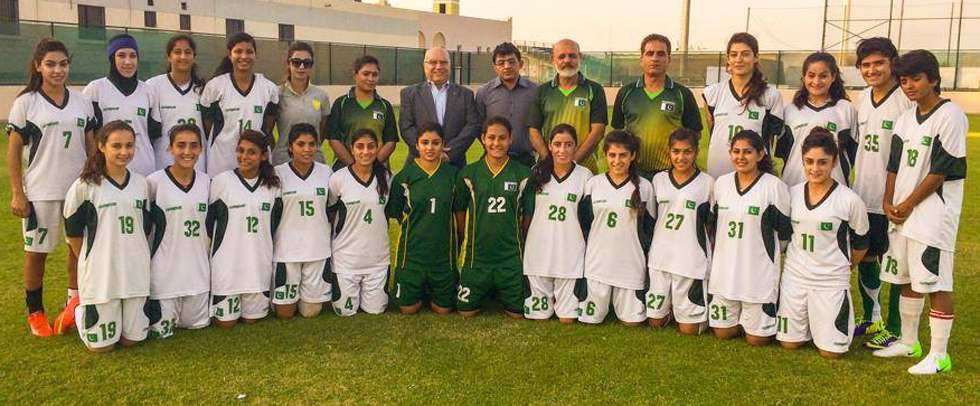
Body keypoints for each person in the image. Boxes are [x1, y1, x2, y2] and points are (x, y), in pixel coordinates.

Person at [874, 50, 966, 375]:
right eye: (904, 80)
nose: (909, 85)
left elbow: (941, 171)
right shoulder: (905, 118)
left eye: (916, 78)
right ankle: (908, 341)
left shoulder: (950, 115)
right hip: (902, 212)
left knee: (936, 281)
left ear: (934, 79)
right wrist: (888, 201)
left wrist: (908, 203)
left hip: (932, 214)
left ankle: (939, 355)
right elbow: (894, 164)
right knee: (908, 277)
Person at [6, 38, 96, 337]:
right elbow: (14, 153)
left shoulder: (83, 101)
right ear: (38, 66)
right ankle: (36, 312)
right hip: (41, 190)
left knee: (78, 249)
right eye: (51, 64)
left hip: (77, 190)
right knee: (37, 251)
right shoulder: (26, 103)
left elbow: (91, 146)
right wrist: (18, 192)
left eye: (63, 64)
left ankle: (73, 304)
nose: (58, 70)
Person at [776, 128, 869, 358]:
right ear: (802, 160)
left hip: (830, 282)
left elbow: (861, 244)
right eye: (809, 162)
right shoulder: (792, 193)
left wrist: (841, 268)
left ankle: (822, 323)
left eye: (822, 162)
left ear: (834, 162)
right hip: (794, 278)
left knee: (831, 353)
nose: (815, 168)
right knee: (789, 344)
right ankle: (807, 323)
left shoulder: (849, 200)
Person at [64, 120, 151, 352]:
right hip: (101, 274)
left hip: (134, 271)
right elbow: (73, 233)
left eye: (129, 145)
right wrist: (91, 258)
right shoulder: (85, 186)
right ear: (101, 146)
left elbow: (146, 226)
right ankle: (78, 309)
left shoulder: (142, 184)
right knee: (102, 348)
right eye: (116, 146)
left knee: (133, 340)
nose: (124, 152)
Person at [851, 37, 914, 349]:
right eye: (866, 64)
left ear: (892, 63)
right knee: (866, 256)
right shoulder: (862, 98)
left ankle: (894, 326)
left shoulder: (906, 98)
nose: (872, 69)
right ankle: (871, 315)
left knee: (895, 264)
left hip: (895, 197)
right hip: (863, 193)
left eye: (879, 63)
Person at [708, 129, 791, 346]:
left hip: (758, 275)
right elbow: (715, 225)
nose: (741, 157)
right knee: (722, 334)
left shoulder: (774, 187)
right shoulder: (721, 184)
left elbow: (784, 234)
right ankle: (741, 317)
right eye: (736, 151)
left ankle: (763, 313)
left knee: (757, 340)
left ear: (760, 155)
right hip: (726, 272)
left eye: (747, 152)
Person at [454, 116, 533, 319]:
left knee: (517, 314)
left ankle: (500, 289)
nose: (496, 143)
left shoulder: (522, 174)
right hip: (477, 258)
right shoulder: (468, 173)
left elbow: (528, 216)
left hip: (509, 259)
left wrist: (520, 240)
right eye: (491, 138)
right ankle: (487, 289)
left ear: (511, 140)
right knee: (466, 312)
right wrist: (467, 237)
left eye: (502, 138)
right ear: (482, 139)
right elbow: (460, 212)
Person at [206, 130, 282, 328]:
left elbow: (275, 224)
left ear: (264, 155)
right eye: (240, 151)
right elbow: (208, 223)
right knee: (225, 324)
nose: (244, 156)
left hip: (258, 266)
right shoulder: (221, 182)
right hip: (227, 267)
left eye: (251, 152)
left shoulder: (273, 187)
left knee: (251, 320)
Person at [578, 130, 655, 326]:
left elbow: (650, 227)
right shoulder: (593, 184)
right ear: (605, 155)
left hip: (630, 264)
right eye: (612, 155)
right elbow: (585, 222)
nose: (617, 160)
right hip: (597, 264)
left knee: (632, 323)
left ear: (633, 156)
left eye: (623, 155)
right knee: (590, 320)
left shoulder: (645, 187)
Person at [521, 124, 592, 323]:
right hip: (539, 251)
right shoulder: (537, 173)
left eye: (568, 145)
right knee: (540, 317)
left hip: (569, 252)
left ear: (576, 147)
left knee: (567, 319)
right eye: (557, 144)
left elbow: (587, 219)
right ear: (549, 146)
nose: (562, 150)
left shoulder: (585, 176)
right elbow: (527, 214)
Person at [386, 122, 459, 315]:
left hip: (443, 257)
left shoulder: (454, 175)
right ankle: (419, 286)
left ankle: (433, 288)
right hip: (412, 256)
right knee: (408, 309)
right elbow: (398, 216)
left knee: (443, 310)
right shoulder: (403, 177)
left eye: (436, 143)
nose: (430, 147)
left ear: (443, 145)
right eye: (424, 142)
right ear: (416, 145)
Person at [646, 128, 714, 334]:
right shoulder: (658, 180)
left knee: (688, 329)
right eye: (676, 151)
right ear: (669, 152)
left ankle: (687, 309)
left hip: (690, 261)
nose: (681, 157)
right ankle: (671, 308)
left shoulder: (707, 183)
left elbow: (710, 225)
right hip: (661, 258)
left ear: (696, 153)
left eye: (687, 152)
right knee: (654, 322)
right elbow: (651, 219)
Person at [146, 124, 211, 338]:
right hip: (164, 278)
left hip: (198, 277)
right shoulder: (154, 183)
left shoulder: (208, 183)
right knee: (160, 334)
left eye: (193, 146)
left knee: (197, 325)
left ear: (201, 149)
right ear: (170, 149)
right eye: (180, 146)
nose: (187, 152)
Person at [611, 34, 703, 178]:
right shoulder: (626, 93)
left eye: (661, 54)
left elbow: (696, 134)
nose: (655, 58)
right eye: (649, 53)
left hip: (671, 174)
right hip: (634, 173)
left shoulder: (682, 94)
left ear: (669, 59)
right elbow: (618, 133)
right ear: (641, 59)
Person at [272, 123, 334, 319]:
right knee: (284, 314)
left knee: (310, 312)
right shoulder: (277, 174)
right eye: (300, 144)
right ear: (290, 147)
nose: (307, 149)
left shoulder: (327, 173)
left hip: (317, 250)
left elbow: (331, 211)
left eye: (311, 144)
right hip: (287, 251)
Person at [328, 129, 392, 316]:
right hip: (346, 260)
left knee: (375, 311)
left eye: (371, 147)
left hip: (377, 260)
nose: (366, 152)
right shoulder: (338, 178)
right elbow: (331, 214)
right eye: (360, 147)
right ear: (352, 149)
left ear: (377, 148)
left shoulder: (387, 177)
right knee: (345, 312)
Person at [703, 32, 785, 178]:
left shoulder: (770, 95)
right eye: (733, 55)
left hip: (755, 176)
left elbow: (769, 139)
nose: (739, 60)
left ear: (756, 57)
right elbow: (712, 131)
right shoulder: (712, 94)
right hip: (718, 175)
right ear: (728, 59)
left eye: (745, 54)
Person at [201, 32, 279, 177]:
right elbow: (208, 124)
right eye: (238, 51)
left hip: (257, 162)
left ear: (256, 55)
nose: (244, 56)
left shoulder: (269, 88)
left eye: (249, 51)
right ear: (230, 55)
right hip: (222, 161)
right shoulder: (215, 86)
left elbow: (268, 126)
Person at [776, 52, 858, 186]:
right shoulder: (789, 110)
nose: (816, 81)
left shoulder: (846, 109)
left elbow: (853, 154)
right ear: (803, 77)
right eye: (811, 75)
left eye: (823, 76)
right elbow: (782, 153)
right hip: (794, 186)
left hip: (834, 191)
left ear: (833, 77)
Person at [527, 38, 608, 173]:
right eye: (561, 56)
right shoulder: (542, 91)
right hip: (549, 168)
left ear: (579, 57)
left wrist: (573, 162)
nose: (567, 60)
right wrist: (549, 161)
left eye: (572, 56)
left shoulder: (594, 90)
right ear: (553, 59)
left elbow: (598, 131)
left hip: (585, 168)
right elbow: (533, 130)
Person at [83, 34, 156, 177]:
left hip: (144, 169)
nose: (128, 62)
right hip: (108, 171)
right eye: (121, 56)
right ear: (112, 59)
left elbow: (153, 134)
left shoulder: (148, 91)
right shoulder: (95, 89)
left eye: (133, 56)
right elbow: (89, 136)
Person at [399, 47, 479, 168]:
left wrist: (449, 154)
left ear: (449, 65)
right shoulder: (409, 94)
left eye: (443, 62)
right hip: (418, 165)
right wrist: (427, 152)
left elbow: (471, 127)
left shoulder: (466, 95)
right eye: (433, 62)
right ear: (424, 66)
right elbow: (406, 127)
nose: (438, 66)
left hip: (454, 165)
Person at [326, 55, 398, 170]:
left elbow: (391, 141)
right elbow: (334, 139)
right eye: (366, 74)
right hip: (345, 168)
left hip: (377, 169)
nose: (370, 78)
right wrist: (354, 167)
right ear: (355, 75)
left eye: (375, 74)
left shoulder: (385, 105)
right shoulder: (342, 103)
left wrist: (372, 165)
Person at [147, 34, 206, 172]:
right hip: (164, 160)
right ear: (169, 56)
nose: (183, 57)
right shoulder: (153, 86)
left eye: (188, 52)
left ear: (194, 56)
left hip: (196, 161)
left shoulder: (204, 89)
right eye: (177, 52)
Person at [475, 42, 538, 168]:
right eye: (501, 63)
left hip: (525, 161)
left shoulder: (535, 91)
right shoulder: (484, 93)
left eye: (511, 61)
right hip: (492, 160)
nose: (507, 66)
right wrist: (494, 146)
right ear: (495, 67)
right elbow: (478, 126)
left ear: (520, 64)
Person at [271, 42, 330, 166]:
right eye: (296, 62)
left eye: (307, 63)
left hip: (314, 160)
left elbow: (322, 131)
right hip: (283, 161)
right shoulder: (276, 93)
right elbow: (267, 130)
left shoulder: (321, 96)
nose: (301, 67)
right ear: (289, 63)